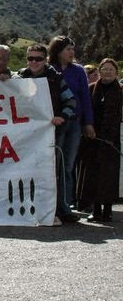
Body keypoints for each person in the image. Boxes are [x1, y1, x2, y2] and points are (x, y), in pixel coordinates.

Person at [15, 43, 77, 224]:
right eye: (30, 58)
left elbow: (71, 101)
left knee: (54, 171)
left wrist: (61, 117)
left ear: (46, 59)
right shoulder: (19, 77)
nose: (34, 62)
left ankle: (61, 209)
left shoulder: (56, 79)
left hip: (52, 133)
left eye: (38, 58)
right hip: (26, 136)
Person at [48, 35, 95, 213]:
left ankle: (66, 204)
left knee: (68, 165)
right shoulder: (48, 69)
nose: (71, 53)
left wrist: (88, 123)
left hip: (74, 123)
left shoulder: (78, 71)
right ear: (58, 51)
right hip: (53, 124)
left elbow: (85, 98)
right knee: (54, 164)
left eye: (72, 49)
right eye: (68, 49)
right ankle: (52, 203)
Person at [78, 58, 121, 222]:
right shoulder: (91, 89)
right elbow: (85, 111)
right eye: (104, 69)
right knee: (92, 175)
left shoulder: (120, 90)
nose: (107, 72)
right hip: (92, 137)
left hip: (111, 139)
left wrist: (110, 136)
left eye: (111, 69)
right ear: (100, 71)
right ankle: (95, 210)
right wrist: (88, 128)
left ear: (116, 72)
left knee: (108, 176)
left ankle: (108, 210)